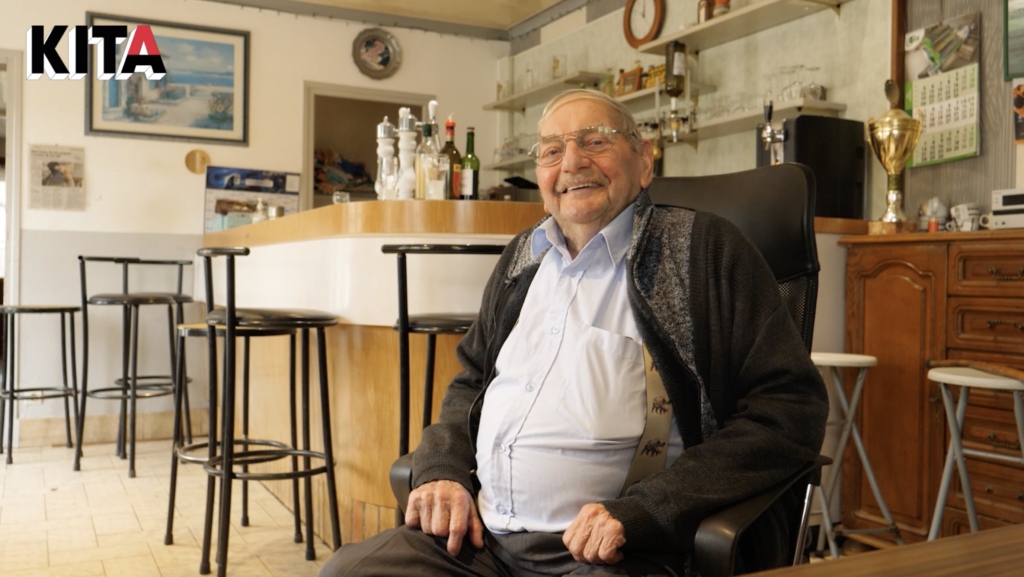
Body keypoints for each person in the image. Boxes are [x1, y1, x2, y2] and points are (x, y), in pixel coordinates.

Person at [320, 89, 828, 577]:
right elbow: (471, 383)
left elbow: (788, 410)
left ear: (645, 161)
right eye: (552, 150)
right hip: (480, 542)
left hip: (620, 553)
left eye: (595, 141)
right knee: (348, 572)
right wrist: (443, 469)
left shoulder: (704, 249)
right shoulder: (522, 258)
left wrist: (645, 512)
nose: (571, 163)